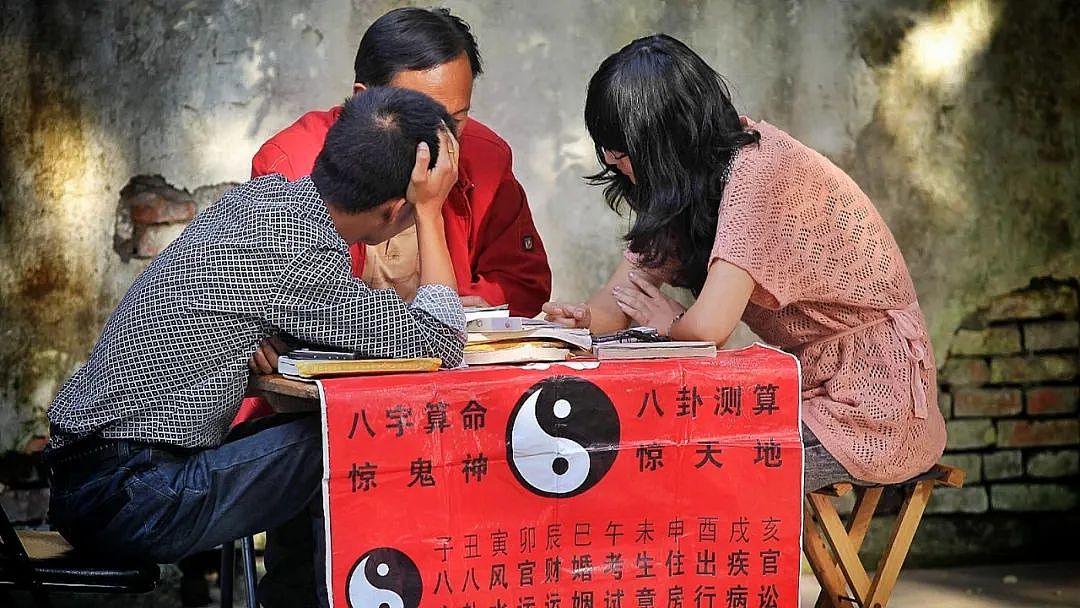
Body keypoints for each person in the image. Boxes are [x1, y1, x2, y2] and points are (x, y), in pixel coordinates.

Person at [43, 86, 465, 608]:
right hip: (134, 495)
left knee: (325, 436)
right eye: (417, 205)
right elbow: (442, 342)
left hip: (88, 478)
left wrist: (275, 334)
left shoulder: (259, 202)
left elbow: (260, 304)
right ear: (394, 209)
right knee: (359, 439)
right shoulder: (304, 254)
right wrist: (431, 213)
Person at [544, 34, 946, 490]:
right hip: (806, 393)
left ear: (664, 143)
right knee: (659, 453)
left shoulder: (760, 173)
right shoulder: (694, 185)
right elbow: (620, 300)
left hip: (872, 411)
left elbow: (707, 329)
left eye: (622, 153)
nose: (615, 165)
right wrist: (577, 322)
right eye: (609, 152)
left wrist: (673, 322)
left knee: (696, 473)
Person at [251, 6, 551, 319]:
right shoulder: (291, 166)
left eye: (457, 118)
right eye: (419, 114)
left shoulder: (485, 156)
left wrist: (477, 304)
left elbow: (524, 282)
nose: (441, 137)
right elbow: (279, 299)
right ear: (363, 99)